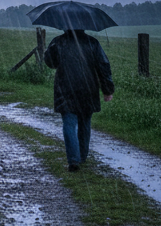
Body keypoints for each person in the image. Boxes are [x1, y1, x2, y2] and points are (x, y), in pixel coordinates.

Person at [43, 29, 115, 172]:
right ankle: (82, 156)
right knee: (84, 123)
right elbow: (103, 65)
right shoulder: (92, 43)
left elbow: (51, 63)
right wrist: (107, 89)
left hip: (65, 87)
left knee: (69, 123)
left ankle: (73, 160)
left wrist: (50, 51)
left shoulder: (59, 42)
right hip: (88, 88)